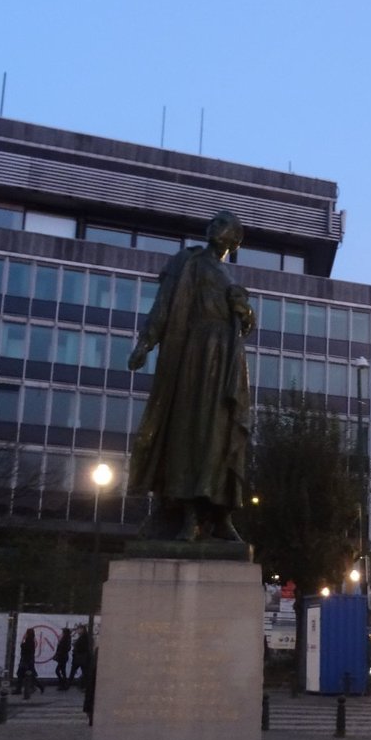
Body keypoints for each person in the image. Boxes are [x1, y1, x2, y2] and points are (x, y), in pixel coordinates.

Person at [127, 209, 255, 542]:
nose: (214, 227)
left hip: (226, 359)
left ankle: (220, 512)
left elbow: (246, 326)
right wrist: (146, 343)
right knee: (188, 432)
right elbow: (165, 305)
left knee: (221, 433)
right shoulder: (189, 262)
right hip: (194, 356)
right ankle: (186, 512)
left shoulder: (227, 275)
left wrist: (246, 312)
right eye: (213, 222)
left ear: (235, 239)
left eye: (223, 224)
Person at [15, 625, 41, 695]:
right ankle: (39, 686)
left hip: (26, 661)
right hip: (28, 661)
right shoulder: (31, 641)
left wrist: (23, 640)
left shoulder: (29, 641)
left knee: (21, 674)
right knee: (28, 675)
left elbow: (24, 648)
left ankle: (19, 690)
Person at [53, 626, 72, 691]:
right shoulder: (67, 639)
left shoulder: (64, 640)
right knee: (62, 671)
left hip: (62, 658)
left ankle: (63, 683)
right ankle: (64, 684)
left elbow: (61, 649)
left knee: (58, 671)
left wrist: (59, 642)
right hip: (63, 657)